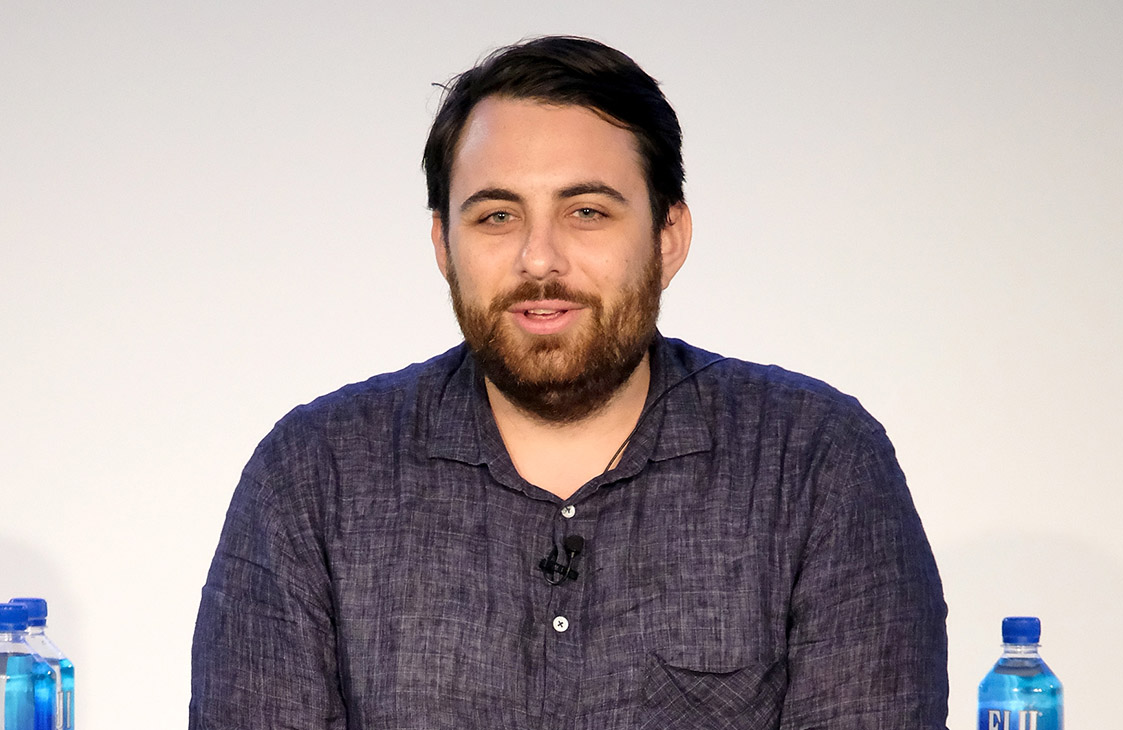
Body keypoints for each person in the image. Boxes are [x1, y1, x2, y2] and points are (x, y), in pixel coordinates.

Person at [190, 36, 948, 729]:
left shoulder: (815, 463)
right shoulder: (314, 476)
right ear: (443, 246)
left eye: (587, 212)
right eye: (496, 216)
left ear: (668, 237)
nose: (539, 259)